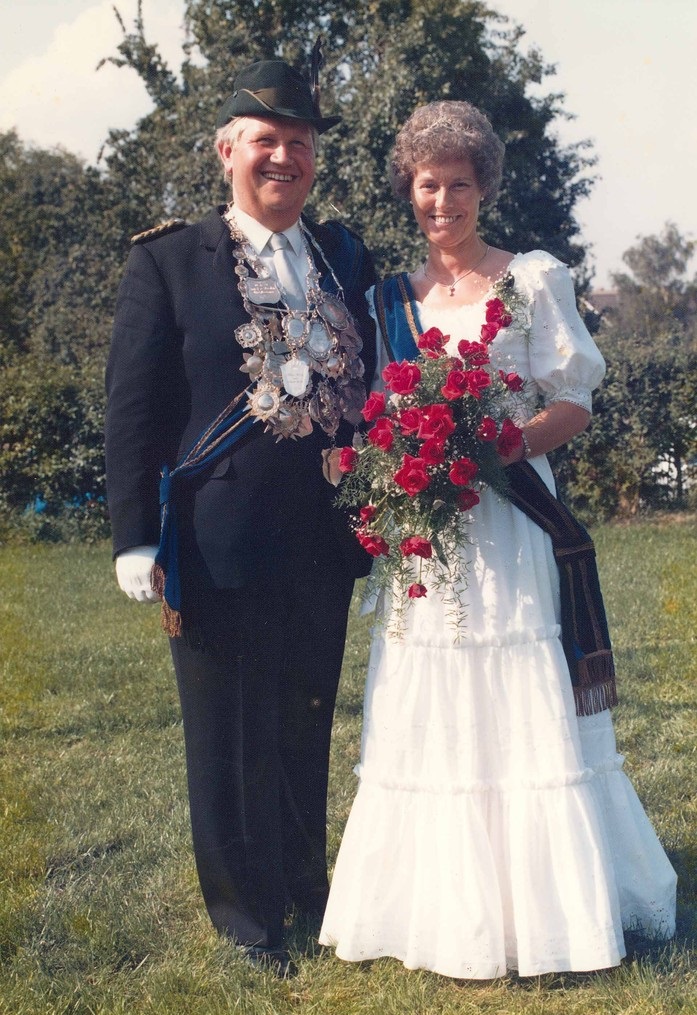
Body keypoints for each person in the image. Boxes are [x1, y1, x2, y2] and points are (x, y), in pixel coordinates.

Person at [319, 100, 676, 979]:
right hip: (431, 532)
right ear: (408, 190)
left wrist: (499, 448)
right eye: (427, 185)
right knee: (435, 691)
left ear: (483, 189)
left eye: (458, 185)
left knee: (518, 691)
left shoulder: (532, 279)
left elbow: (574, 400)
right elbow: (379, 411)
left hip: (513, 518)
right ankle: (444, 913)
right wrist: (400, 461)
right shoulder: (388, 301)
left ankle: (550, 913)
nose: (442, 202)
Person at [105, 58, 376, 975]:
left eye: (299, 143)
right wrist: (135, 535)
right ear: (226, 150)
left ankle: (303, 884)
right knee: (226, 732)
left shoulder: (341, 257)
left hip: (321, 537)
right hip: (214, 538)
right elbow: (133, 409)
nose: (283, 157)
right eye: (265, 140)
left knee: (303, 719)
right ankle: (245, 915)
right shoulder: (168, 260)